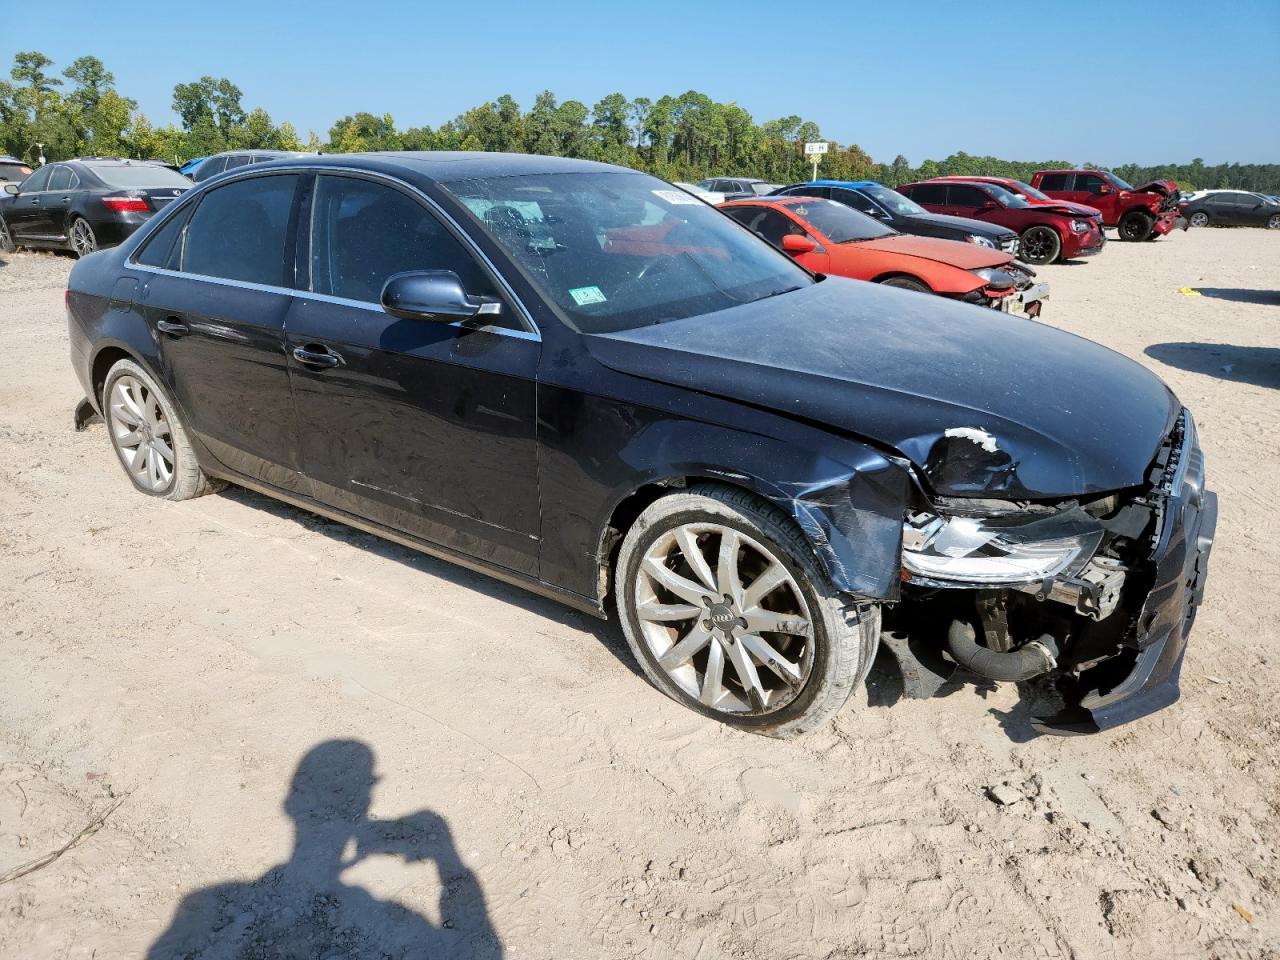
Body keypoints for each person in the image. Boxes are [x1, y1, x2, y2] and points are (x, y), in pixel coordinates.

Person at [147, 740, 501, 959]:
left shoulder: (208, 900)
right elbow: (483, 947)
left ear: (290, 805)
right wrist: (445, 853)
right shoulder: (402, 916)